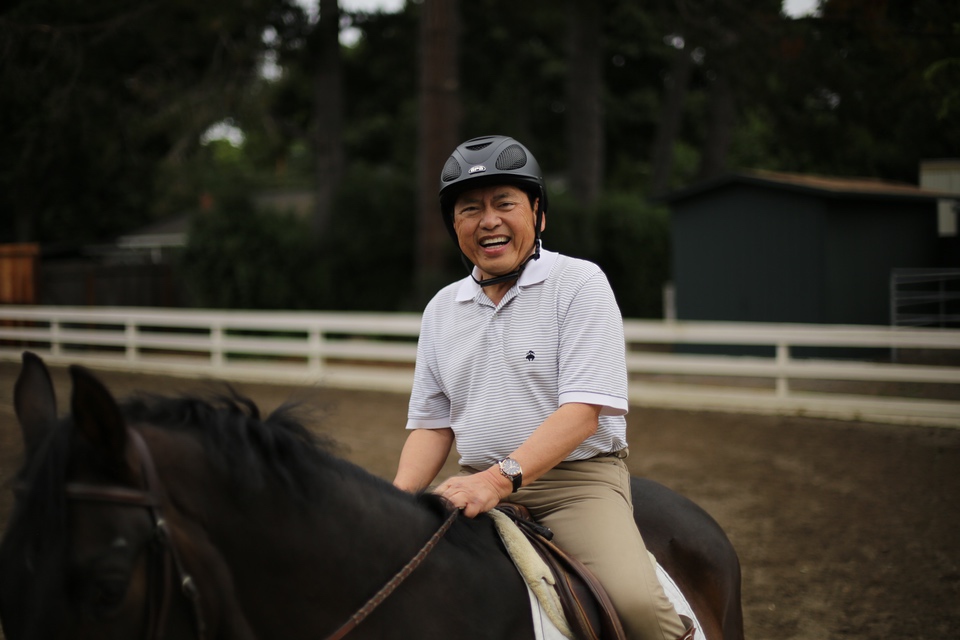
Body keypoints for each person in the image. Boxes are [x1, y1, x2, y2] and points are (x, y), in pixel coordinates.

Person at [393, 135, 693, 640]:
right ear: (455, 226)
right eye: (470, 209)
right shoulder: (442, 309)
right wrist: (397, 503)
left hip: (575, 487)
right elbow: (431, 424)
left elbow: (583, 412)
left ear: (538, 213)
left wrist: (495, 481)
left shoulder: (579, 283)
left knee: (636, 606)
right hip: (471, 486)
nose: (488, 220)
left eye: (504, 203)